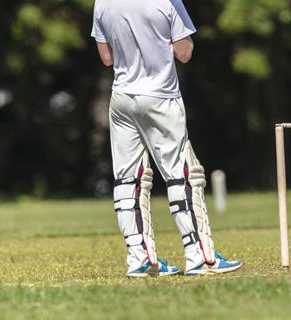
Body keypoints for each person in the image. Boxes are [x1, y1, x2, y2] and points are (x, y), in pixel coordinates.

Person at [91, 0, 242, 277]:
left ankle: (139, 258)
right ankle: (201, 257)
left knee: (128, 180)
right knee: (182, 175)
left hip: (122, 97)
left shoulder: (102, 1)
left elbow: (107, 58)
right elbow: (184, 52)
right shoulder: (168, 2)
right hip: (161, 96)